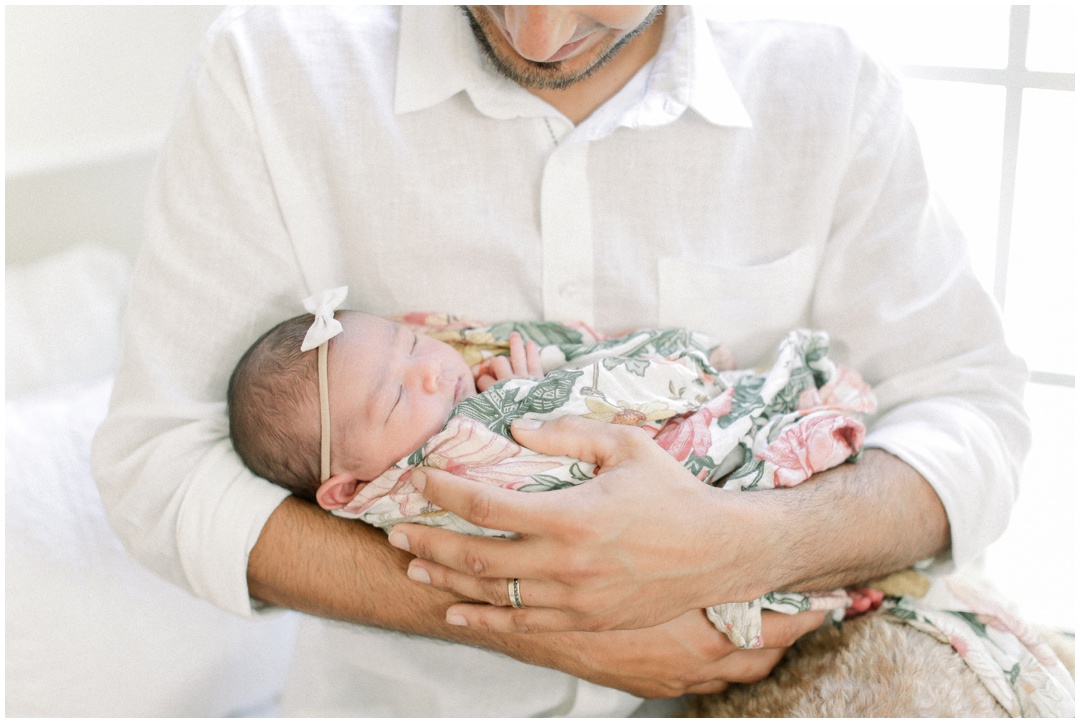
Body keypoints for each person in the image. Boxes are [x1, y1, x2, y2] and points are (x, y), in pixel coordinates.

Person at [91, 5, 1030, 716]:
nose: (538, 36)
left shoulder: (824, 84)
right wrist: (544, 618)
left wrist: (741, 548)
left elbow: (970, 412)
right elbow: (159, 470)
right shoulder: (270, 70)